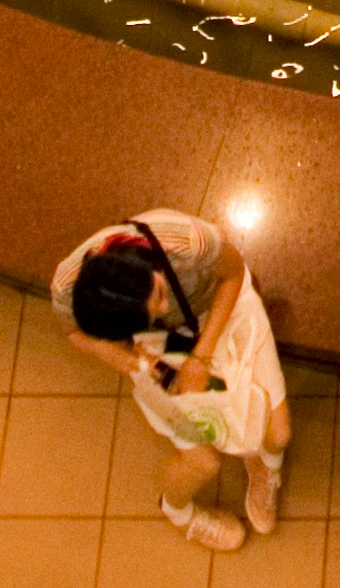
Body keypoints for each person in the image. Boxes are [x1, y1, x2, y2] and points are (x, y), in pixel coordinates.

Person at [51, 208, 288, 553]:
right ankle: (178, 512)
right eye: (151, 313)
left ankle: (263, 466)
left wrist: (201, 355)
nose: (163, 310)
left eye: (159, 293)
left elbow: (234, 274)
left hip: (220, 308)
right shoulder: (66, 288)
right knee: (202, 461)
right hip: (154, 349)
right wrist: (123, 358)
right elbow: (76, 334)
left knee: (277, 432)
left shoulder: (188, 241)